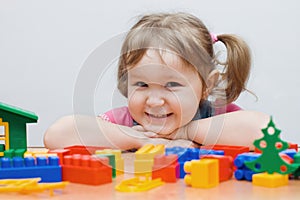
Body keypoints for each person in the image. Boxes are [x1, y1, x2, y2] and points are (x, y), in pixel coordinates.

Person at [44, 12, 269, 150]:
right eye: (141, 84)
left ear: (207, 85)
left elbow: (264, 131)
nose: (153, 101)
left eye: (172, 85)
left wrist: (186, 131)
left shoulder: (219, 117)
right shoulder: (123, 122)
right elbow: (57, 134)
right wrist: (133, 137)